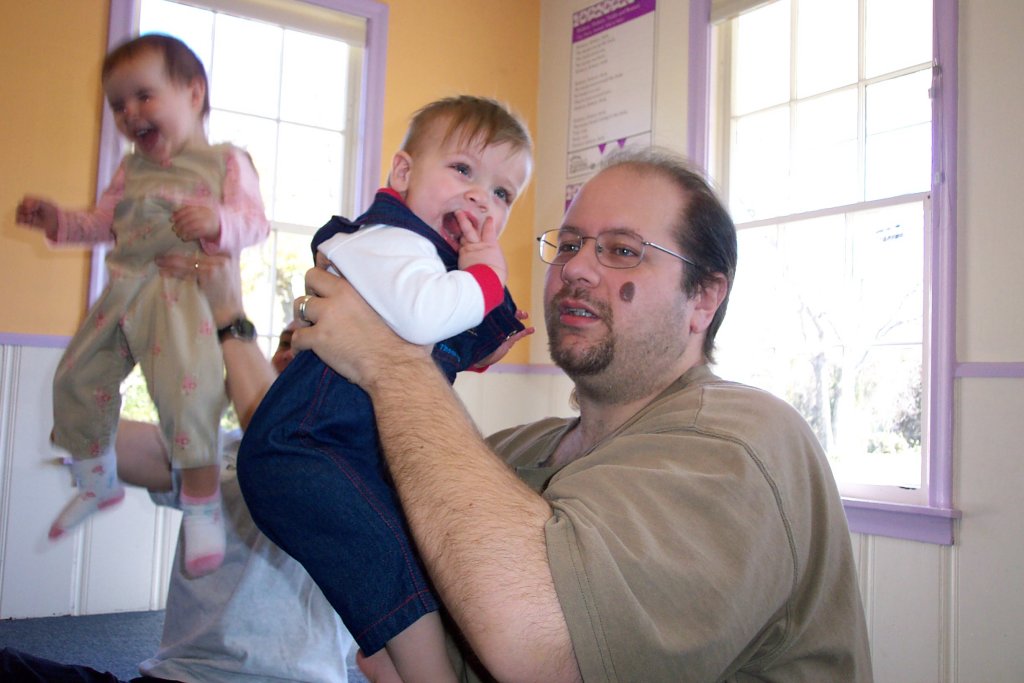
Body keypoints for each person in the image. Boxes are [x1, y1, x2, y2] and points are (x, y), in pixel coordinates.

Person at [273, 148, 874, 682]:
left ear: (704, 298)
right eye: (568, 245)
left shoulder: (746, 441)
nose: (576, 269)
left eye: (622, 251)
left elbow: (544, 647)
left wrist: (390, 362)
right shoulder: (511, 452)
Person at [236, 95, 534, 683]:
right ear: (403, 174)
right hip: (305, 446)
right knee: (393, 561)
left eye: (502, 193)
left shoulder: (428, 263)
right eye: (463, 170)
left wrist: (477, 345)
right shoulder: (389, 239)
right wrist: (487, 277)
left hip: (341, 447)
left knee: (398, 559)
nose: (481, 197)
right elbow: (422, 316)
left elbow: (423, 343)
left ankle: (387, 655)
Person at [0, 253, 353, 683]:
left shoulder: (356, 467)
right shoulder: (217, 450)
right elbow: (84, 434)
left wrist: (229, 316)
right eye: (283, 343)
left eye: (306, 347)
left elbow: (280, 448)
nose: (289, 354)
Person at [15, 34, 269, 577]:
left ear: (194, 94)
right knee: (76, 376)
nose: (130, 113)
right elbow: (101, 223)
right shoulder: (131, 171)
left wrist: (218, 222)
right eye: (118, 105)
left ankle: (201, 506)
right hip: (125, 289)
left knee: (189, 394)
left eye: (144, 96)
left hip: (183, 294)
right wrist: (58, 221)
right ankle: (96, 478)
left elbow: (254, 223)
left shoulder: (225, 162)